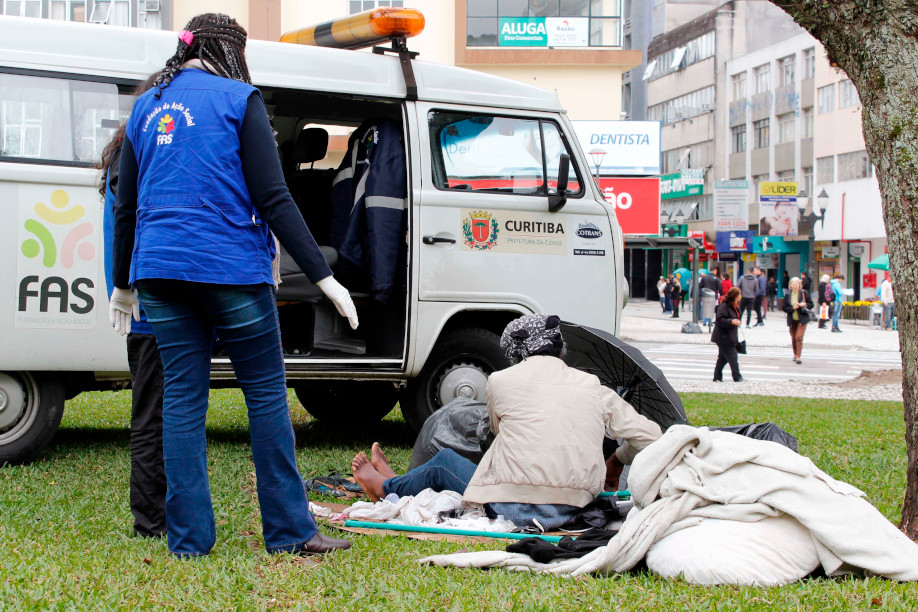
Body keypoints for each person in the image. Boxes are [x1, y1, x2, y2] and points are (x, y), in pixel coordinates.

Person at [111, 13, 355, 557]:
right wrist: (324, 275)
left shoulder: (146, 106)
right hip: (230, 268)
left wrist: (122, 284)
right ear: (230, 51)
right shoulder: (240, 99)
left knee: (181, 401)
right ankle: (290, 532)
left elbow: (125, 205)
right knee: (265, 395)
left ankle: (189, 542)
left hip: (158, 271)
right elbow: (274, 197)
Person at [351, 314, 663, 530]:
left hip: (511, 507)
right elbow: (651, 437)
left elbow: (495, 432)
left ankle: (385, 487)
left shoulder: (501, 381)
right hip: (577, 506)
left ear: (516, 351)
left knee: (444, 463)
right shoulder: (594, 386)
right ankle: (398, 483)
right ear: (559, 349)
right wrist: (617, 458)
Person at [100, 72, 167, 538]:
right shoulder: (138, 158)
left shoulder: (124, 152)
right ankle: (151, 520)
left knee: (152, 413)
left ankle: (156, 514)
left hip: (140, 305)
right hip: (149, 307)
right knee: (151, 417)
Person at [711, 287, 744, 383]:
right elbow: (720, 320)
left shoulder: (735, 306)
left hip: (730, 336)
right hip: (723, 337)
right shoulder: (723, 307)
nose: (739, 299)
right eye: (738, 297)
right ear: (734, 296)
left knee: (722, 358)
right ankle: (737, 377)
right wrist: (731, 321)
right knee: (733, 356)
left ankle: (717, 377)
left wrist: (737, 321)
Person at [782, 277, 813, 364]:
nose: (794, 286)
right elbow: (784, 308)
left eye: (796, 284)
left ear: (799, 285)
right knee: (793, 337)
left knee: (798, 337)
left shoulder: (804, 293)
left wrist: (804, 304)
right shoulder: (788, 295)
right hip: (792, 319)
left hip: (802, 319)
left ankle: (798, 356)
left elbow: (811, 304)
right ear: (790, 285)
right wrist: (793, 308)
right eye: (793, 285)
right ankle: (795, 354)